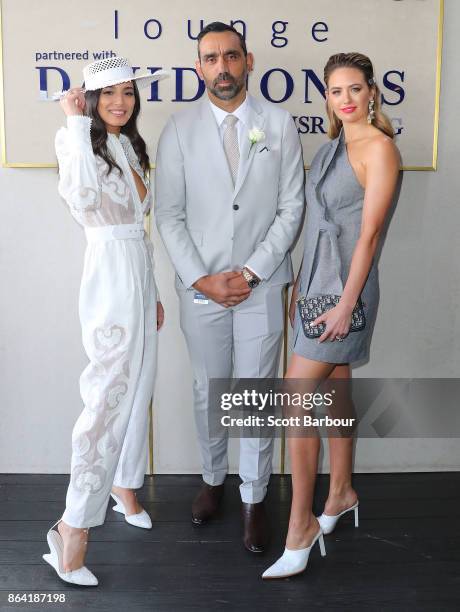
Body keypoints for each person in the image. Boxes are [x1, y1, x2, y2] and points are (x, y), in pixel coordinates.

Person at [155, 22, 304, 553]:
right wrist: (202, 279)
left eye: (231, 56)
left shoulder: (280, 125)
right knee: (208, 388)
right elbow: (168, 215)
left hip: (260, 286)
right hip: (201, 288)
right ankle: (213, 480)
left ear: (249, 61)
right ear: (199, 68)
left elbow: (292, 207)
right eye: (211, 58)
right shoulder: (177, 130)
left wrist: (253, 271)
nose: (222, 67)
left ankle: (255, 495)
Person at [262, 52, 400, 579]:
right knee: (335, 391)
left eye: (355, 88)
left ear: (371, 93)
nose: (345, 98)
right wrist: (298, 284)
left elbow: (368, 235)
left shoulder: (380, 150)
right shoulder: (330, 148)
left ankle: (301, 524)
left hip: (348, 295)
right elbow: (317, 224)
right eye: (336, 90)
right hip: (315, 288)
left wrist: (345, 304)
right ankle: (340, 492)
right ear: (329, 97)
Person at [42, 57, 169, 586]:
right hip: (110, 282)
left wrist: (154, 291)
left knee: (139, 391)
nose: (121, 102)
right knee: (105, 399)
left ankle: (122, 485)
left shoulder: (129, 145)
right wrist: (73, 121)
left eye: (129, 93)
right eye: (109, 93)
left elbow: (139, 230)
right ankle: (72, 527)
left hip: (137, 276)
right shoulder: (74, 140)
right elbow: (84, 200)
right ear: (90, 98)